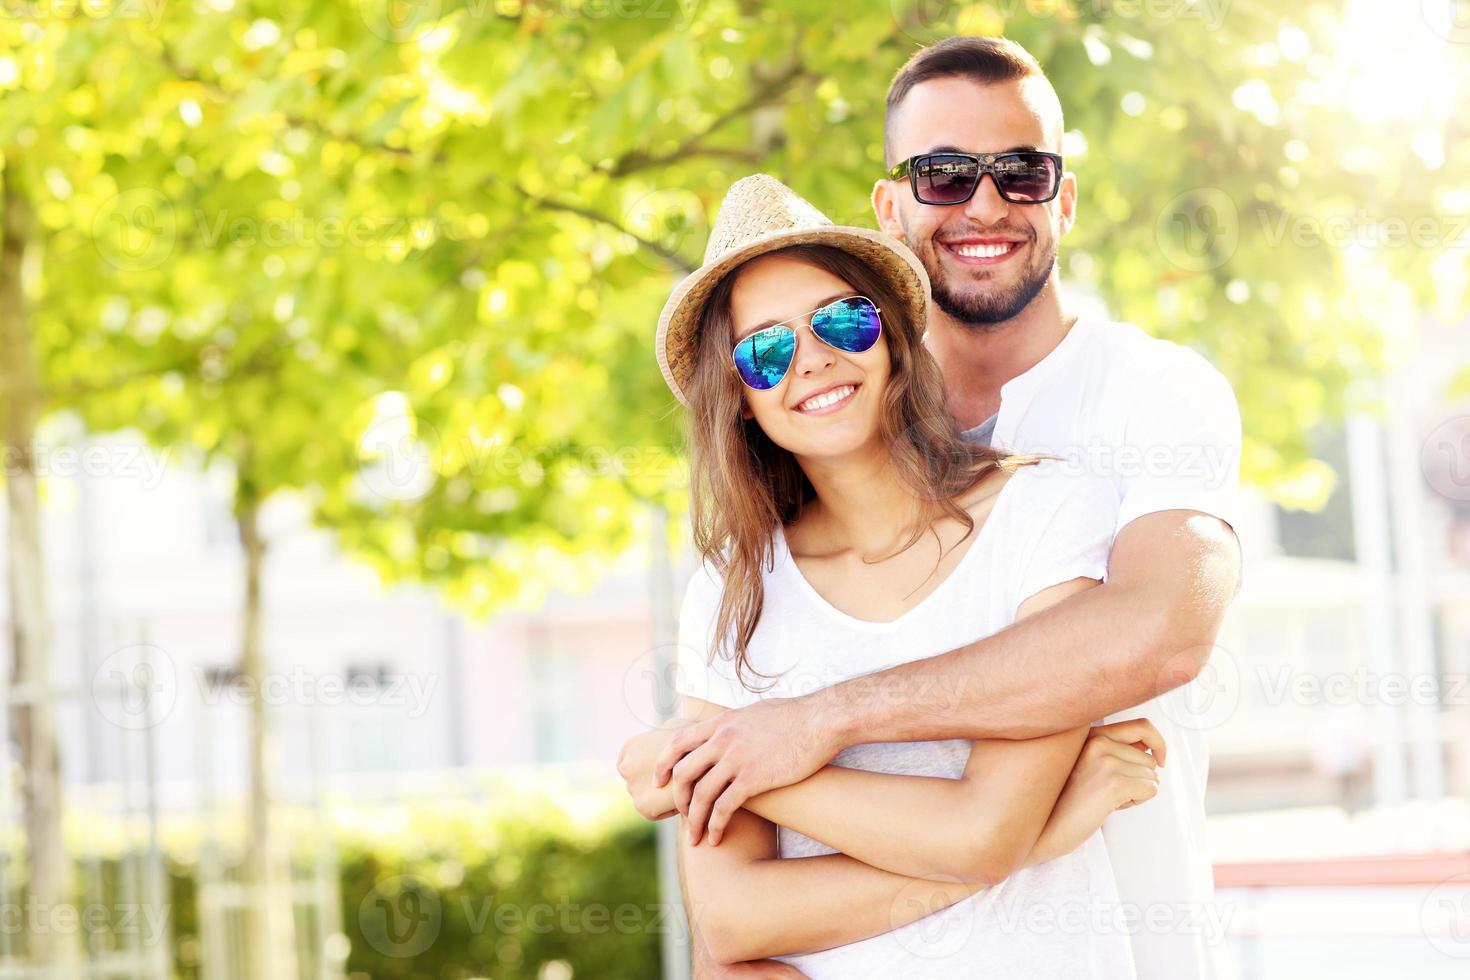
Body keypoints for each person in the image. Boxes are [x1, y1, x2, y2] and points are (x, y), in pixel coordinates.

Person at [620, 36, 1242, 980]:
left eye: (1022, 171)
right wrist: (736, 755)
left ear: (1064, 195)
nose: (984, 203)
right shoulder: (738, 585)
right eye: (944, 174)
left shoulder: (1130, 419)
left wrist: (786, 738)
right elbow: (734, 928)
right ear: (893, 203)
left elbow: (1156, 634)